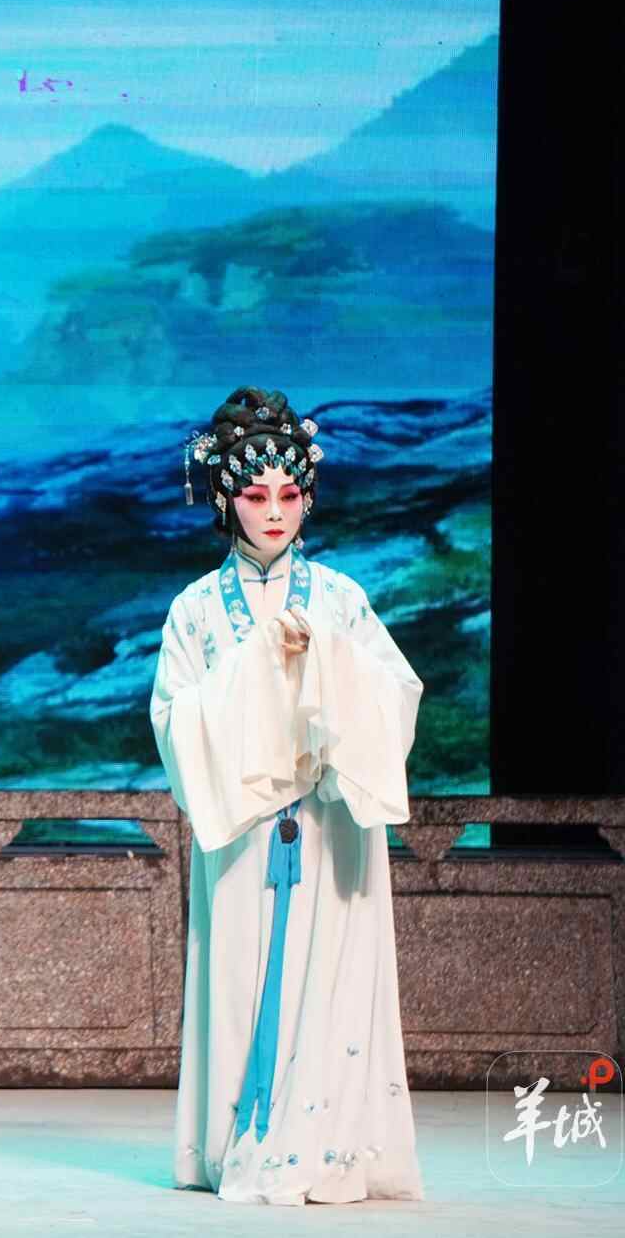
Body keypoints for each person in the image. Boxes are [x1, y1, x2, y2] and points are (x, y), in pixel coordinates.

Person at [150, 386, 425, 1204]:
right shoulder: (195, 611)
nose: (274, 512)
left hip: (331, 826)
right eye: (255, 495)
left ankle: (329, 1150)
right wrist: (256, 667)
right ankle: (240, 1139)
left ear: (308, 495)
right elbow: (173, 720)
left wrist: (328, 659)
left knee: (331, 985)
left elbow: (399, 693)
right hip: (244, 834)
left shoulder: (340, 599)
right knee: (242, 982)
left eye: (288, 494)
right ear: (224, 499)